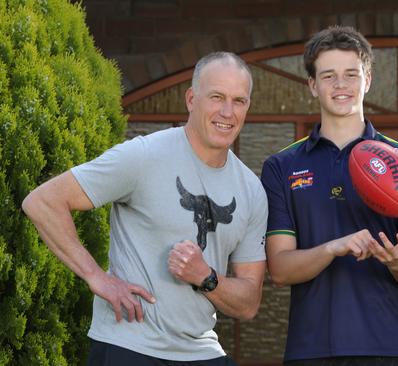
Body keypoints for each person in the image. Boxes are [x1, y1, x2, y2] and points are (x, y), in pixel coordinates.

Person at [22, 52, 268, 365]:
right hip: (130, 346)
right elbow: (42, 202)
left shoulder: (251, 190)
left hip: (201, 350)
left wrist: (206, 276)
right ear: (192, 99)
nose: (227, 112)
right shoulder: (144, 156)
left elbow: (248, 303)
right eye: (217, 97)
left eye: (239, 100)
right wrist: (96, 277)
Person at [260, 26, 398, 366]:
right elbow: (279, 269)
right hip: (312, 349)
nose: (341, 85)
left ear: (367, 79)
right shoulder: (282, 165)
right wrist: (333, 247)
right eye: (328, 76)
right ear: (312, 85)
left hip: (389, 347)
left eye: (351, 74)